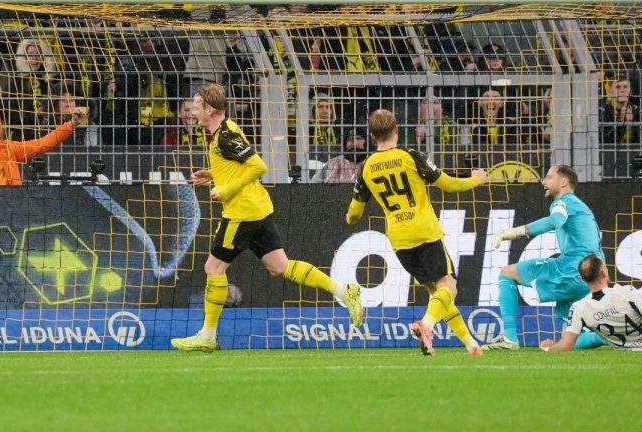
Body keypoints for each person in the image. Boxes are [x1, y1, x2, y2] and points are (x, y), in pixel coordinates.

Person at [171, 83, 362, 352]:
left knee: (213, 268)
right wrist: (213, 174)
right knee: (280, 266)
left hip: (241, 212)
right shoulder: (224, 131)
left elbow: (259, 166)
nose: (193, 112)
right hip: (257, 208)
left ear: (209, 109)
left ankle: (207, 335)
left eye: (196, 107)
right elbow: (238, 165)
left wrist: (227, 188)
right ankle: (344, 291)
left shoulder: (226, 135)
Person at [345, 109, 487, 356]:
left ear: (371, 135)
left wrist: (348, 218)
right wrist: (476, 179)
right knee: (449, 287)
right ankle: (427, 325)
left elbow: (354, 213)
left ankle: (470, 344)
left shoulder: (365, 168)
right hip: (425, 232)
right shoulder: (411, 156)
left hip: (400, 240)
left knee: (437, 294)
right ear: (397, 129)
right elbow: (449, 185)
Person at [484, 165, 604, 350]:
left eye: (548, 177)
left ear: (563, 182)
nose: (543, 181)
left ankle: (510, 338)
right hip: (590, 276)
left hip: (571, 270)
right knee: (567, 343)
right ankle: (606, 338)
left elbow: (554, 220)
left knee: (507, 273)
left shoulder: (563, 202)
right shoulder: (581, 207)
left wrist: (513, 232)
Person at [540, 254, 642, 352]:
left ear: (583, 279)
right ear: (603, 273)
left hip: (623, 351)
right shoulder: (628, 292)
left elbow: (565, 346)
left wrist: (547, 348)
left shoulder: (578, 308)